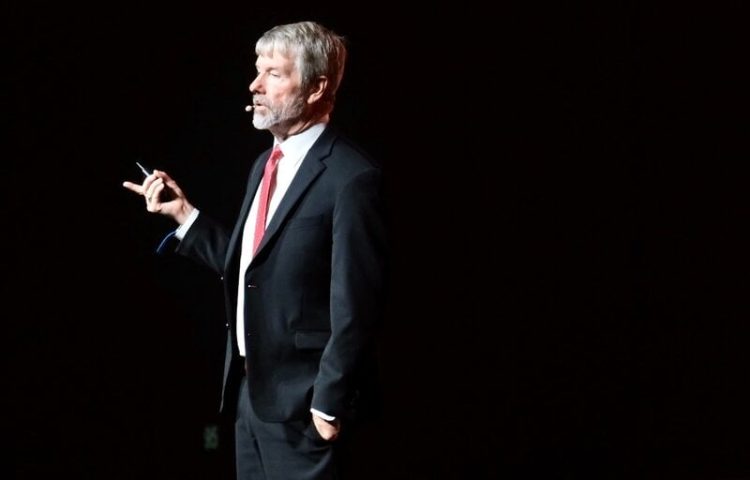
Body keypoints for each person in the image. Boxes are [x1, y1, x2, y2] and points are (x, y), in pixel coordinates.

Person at [123, 20, 387, 480]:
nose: (254, 85)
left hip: (306, 409)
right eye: (257, 70)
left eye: (273, 73)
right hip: (252, 398)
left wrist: (328, 403)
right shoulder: (265, 164)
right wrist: (184, 214)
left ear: (316, 87)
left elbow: (359, 304)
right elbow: (254, 271)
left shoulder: (351, 178)